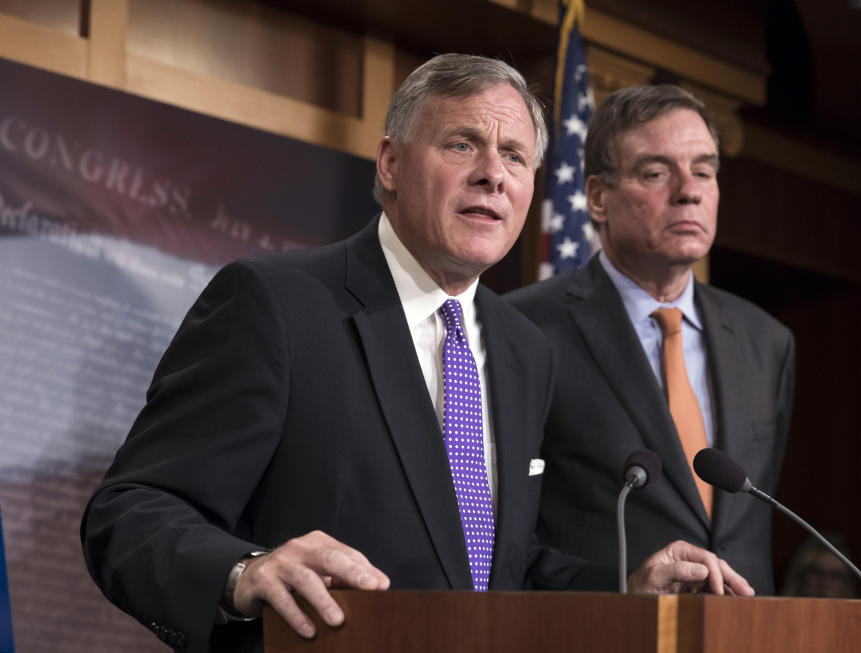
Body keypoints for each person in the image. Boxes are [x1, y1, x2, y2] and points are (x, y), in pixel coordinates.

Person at [81, 58, 753, 653]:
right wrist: (241, 569)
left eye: (516, 156)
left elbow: (493, 568)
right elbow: (131, 510)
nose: (493, 173)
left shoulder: (525, 349)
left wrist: (625, 587)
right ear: (391, 163)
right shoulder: (277, 304)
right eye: (463, 144)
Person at [507, 85, 794, 596]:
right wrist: (620, 590)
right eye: (656, 173)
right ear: (597, 196)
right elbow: (503, 542)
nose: (689, 191)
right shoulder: (523, 328)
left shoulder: (766, 341)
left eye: (704, 171)